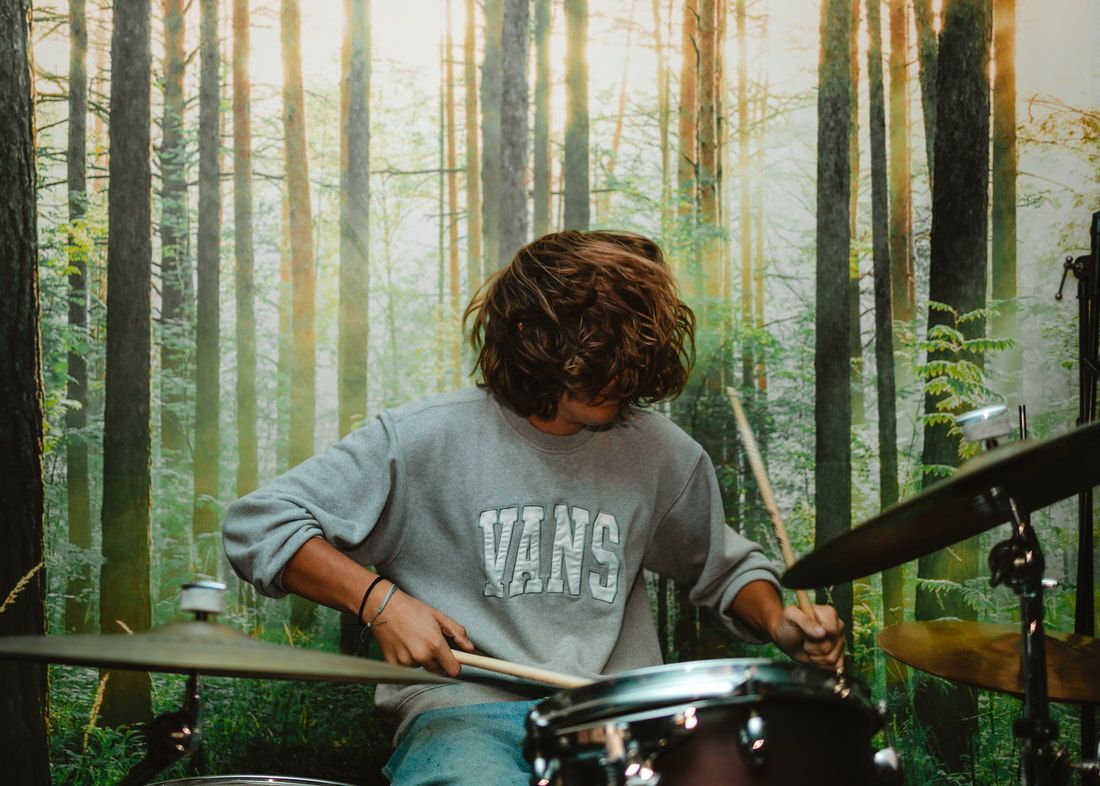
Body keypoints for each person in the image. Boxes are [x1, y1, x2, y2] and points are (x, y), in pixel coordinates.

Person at [223, 230, 845, 785]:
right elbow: (261, 523)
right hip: (463, 715)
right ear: (528, 333)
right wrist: (379, 602)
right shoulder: (420, 440)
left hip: (618, 718)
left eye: (626, 360)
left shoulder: (661, 454)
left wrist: (780, 624)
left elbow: (725, 568)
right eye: (595, 356)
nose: (615, 381)